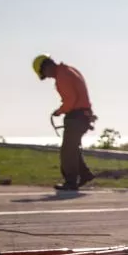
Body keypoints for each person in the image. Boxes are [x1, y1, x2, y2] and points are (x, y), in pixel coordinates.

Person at [33, 55, 95, 191]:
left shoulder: (62, 77)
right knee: (72, 147)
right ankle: (84, 174)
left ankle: (71, 181)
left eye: (45, 74)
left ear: (46, 67)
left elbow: (71, 100)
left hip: (76, 116)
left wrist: (60, 111)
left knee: (68, 150)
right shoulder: (69, 70)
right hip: (83, 115)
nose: (47, 77)